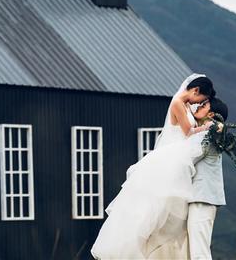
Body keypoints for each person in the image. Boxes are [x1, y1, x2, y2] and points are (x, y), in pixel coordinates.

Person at [90, 73, 217, 260]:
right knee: (157, 205)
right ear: (195, 90)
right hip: (174, 154)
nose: (200, 103)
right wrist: (207, 128)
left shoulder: (187, 106)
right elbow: (188, 132)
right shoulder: (177, 103)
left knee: (165, 204)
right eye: (202, 99)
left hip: (177, 155)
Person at [146, 96, 228, 260]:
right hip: (197, 198)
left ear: (211, 114)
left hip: (204, 199)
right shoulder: (203, 132)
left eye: (204, 105)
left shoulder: (210, 133)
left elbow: (187, 157)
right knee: (192, 251)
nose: (199, 105)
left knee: (199, 252)